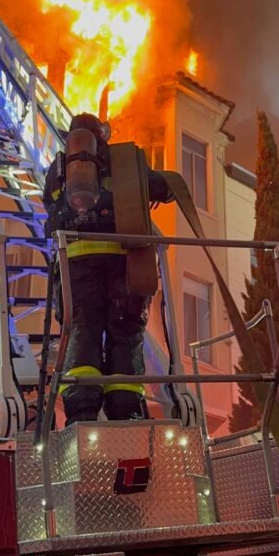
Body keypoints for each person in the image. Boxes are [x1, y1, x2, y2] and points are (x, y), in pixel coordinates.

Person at [43, 113, 172, 425]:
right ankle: (125, 411)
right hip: (123, 264)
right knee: (125, 334)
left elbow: (49, 204)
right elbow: (164, 189)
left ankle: (82, 412)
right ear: (102, 135)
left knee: (82, 331)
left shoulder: (60, 167)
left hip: (75, 264)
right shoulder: (126, 158)